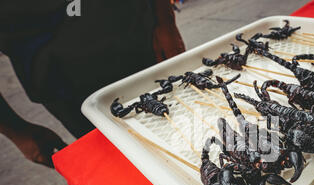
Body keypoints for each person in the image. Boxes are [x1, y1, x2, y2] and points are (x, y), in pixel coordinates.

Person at [0, 0, 185, 168]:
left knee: (183, 134)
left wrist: (165, 21)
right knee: (127, 164)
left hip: (138, 38)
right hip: (62, 82)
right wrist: (16, 131)